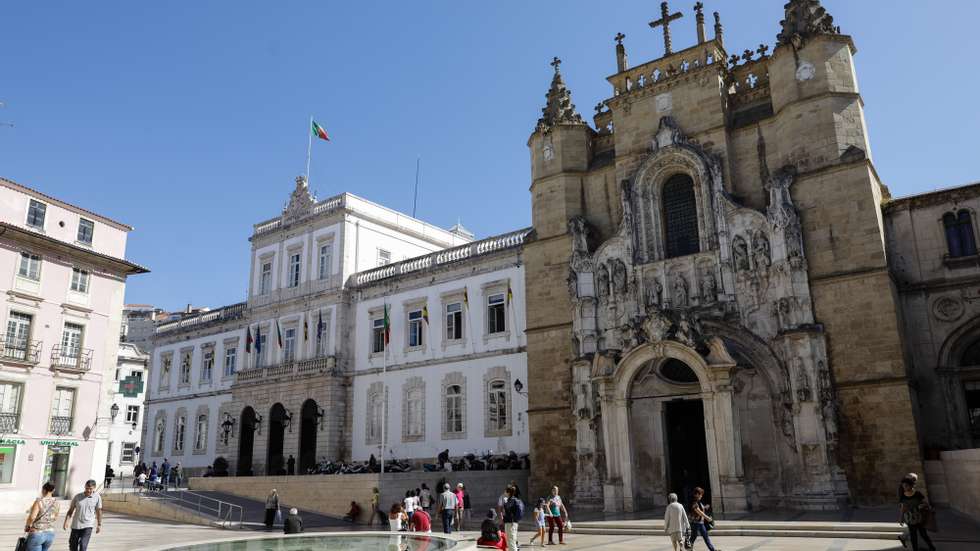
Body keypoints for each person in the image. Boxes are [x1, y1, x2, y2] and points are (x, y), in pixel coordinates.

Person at [63, 479, 102, 551]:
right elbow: (71, 510)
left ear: (94, 488)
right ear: (85, 487)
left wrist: (99, 524)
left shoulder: (97, 497)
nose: (88, 490)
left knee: (83, 545)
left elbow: (98, 511)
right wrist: (66, 521)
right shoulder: (78, 496)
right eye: (87, 488)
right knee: (72, 545)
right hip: (76, 525)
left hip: (88, 525)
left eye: (90, 489)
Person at [899, 478, 936, 551]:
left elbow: (924, 502)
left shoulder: (917, 493)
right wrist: (901, 517)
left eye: (906, 486)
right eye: (903, 486)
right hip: (909, 517)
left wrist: (928, 507)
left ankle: (932, 547)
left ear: (910, 486)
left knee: (923, 534)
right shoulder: (903, 495)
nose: (904, 487)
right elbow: (903, 507)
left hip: (919, 517)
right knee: (913, 536)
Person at [23, 481, 60, 551]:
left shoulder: (39, 501)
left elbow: (32, 517)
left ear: (43, 490)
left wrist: (27, 526)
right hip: (50, 534)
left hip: (37, 533)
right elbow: (55, 517)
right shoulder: (57, 503)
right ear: (53, 490)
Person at [688, 487, 716, 551]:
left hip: (700, 522)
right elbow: (698, 511)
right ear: (696, 494)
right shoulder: (693, 501)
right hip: (695, 522)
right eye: (700, 494)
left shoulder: (698, 501)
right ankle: (689, 548)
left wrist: (705, 507)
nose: (701, 495)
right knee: (693, 536)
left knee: (705, 536)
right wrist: (707, 517)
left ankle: (712, 549)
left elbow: (700, 510)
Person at [501, 486, 523, 551]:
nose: (504, 492)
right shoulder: (512, 500)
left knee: (511, 542)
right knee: (512, 541)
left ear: (508, 493)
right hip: (513, 522)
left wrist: (505, 503)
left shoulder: (511, 501)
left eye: (505, 491)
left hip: (510, 523)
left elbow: (507, 512)